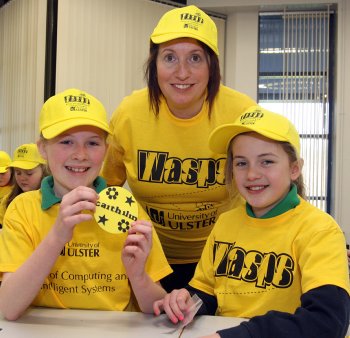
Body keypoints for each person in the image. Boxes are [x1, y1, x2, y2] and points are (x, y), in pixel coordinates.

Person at [154, 105, 350, 337]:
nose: (252, 174)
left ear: (294, 168)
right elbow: (206, 291)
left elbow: (327, 322)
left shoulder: (320, 230)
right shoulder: (226, 223)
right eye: (241, 163)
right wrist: (186, 301)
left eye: (266, 162)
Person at [101, 5, 256, 292]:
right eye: (169, 57)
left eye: (195, 58)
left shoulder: (240, 112)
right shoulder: (129, 114)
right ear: (154, 64)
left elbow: (273, 184)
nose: (182, 73)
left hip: (224, 259)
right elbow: (103, 186)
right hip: (149, 260)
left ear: (212, 66)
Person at [0, 88, 172, 321]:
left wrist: (138, 275)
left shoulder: (127, 210)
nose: (80, 155)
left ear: (106, 149)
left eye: (92, 143)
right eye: (66, 142)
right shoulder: (23, 209)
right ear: (42, 148)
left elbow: (156, 307)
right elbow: (8, 308)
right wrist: (57, 236)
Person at [0, 143, 49, 227]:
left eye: (29, 173)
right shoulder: (8, 200)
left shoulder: (53, 201)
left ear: (44, 171)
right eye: (18, 172)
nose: (22, 178)